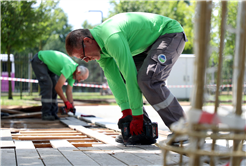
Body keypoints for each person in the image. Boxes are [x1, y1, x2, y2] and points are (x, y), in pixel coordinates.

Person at [65, 12, 187, 144]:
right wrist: (127, 111)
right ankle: (142, 132)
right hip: (147, 45)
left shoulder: (111, 37)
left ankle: (184, 130)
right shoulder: (102, 53)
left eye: (83, 56)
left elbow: (130, 74)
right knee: (125, 78)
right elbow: (115, 82)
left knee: (148, 80)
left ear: (87, 41)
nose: (87, 61)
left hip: (169, 33)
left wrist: (137, 116)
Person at [31, 50, 89, 120]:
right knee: (47, 85)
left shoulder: (74, 75)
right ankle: (46, 113)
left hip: (48, 65)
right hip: (40, 60)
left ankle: (53, 113)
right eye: (81, 78)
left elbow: (69, 91)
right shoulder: (69, 68)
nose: (79, 81)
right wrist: (66, 102)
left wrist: (71, 106)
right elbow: (58, 88)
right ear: (78, 72)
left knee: (53, 86)